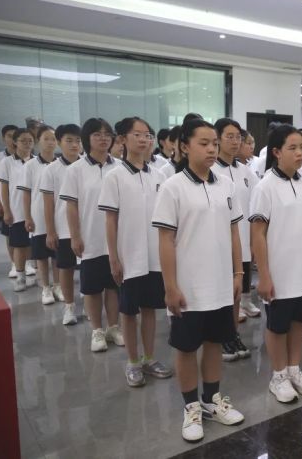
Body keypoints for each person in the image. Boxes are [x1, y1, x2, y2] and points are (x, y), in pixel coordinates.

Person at [152, 118, 245, 443]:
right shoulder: (172, 187)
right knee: (187, 347)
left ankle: (211, 400)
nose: (211, 149)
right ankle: (191, 406)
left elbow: (234, 232)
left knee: (215, 343)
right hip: (188, 287)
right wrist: (170, 286)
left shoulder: (226, 186)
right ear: (184, 146)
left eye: (214, 143)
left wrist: (238, 272)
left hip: (220, 283)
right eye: (203, 143)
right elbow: (165, 241)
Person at [250, 124, 302, 403]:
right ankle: (278, 375)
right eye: (292, 148)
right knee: (277, 326)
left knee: (299, 323)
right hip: (279, 271)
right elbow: (258, 234)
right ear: (276, 152)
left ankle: (294, 370)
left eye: (301, 148)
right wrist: (264, 276)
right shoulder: (265, 186)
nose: (299, 153)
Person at [98, 117, 173, 387]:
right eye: (137, 135)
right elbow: (110, 220)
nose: (144, 140)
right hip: (129, 256)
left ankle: (149, 358)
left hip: (154, 256)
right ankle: (132, 362)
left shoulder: (159, 175)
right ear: (122, 139)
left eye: (147, 135)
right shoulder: (114, 176)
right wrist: (113, 257)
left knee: (150, 309)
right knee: (129, 311)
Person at [60, 118, 123, 352]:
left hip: (117, 239)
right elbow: (71, 206)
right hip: (90, 238)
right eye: (97, 134)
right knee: (92, 287)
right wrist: (75, 236)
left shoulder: (120, 167)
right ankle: (97, 330)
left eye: (107, 134)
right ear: (88, 138)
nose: (103, 138)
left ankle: (113, 327)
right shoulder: (76, 169)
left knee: (114, 285)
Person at [212, 118, 260, 362]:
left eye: (238, 137)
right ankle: (219, 338)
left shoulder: (246, 172)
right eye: (228, 136)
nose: (234, 142)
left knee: (235, 293)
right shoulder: (211, 170)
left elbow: (254, 209)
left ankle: (231, 334)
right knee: (218, 294)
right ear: (217, 139)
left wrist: (253, 242)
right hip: (217, 245)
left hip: (241, 243)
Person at [42, 124, 82, 325]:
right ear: (59, 142)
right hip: (64, 228)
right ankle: (69, 306)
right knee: (66, 268)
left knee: (89, 270)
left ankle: (90, 304)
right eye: (69, 140)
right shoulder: (51, 170)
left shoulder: (87, 166)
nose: (74, 145)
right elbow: (48, 204)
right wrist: (50, 231)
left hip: (88, 228)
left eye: (78, 141)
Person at [19, 125, 62, 304]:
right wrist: (27, 217)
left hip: (59, 214)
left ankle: (58, 285)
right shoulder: (30, 165)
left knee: (58, 253)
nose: (50, 143)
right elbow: (26, 194)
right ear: (38, 141)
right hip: (38, 214)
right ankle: (45, 287)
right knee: (41, 253)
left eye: (53, 139)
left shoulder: (61, 164)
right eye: (46, 139)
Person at [0, 128, 35, 292]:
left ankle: (33, 270)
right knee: (19, 244)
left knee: (33, 243)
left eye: (30, 141)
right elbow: (4, 188)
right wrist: (6, 210)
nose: (27, 144)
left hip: (36, 211)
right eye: (23, 140)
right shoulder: (7, 162)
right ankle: (20, 277)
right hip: (17, 210)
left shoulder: (36, 161)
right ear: (15, 142)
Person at [0, 124, 23, 278]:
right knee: (10, 233)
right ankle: (14, 263)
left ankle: (27, 263)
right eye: (9, 136)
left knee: (27, 235)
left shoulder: (27, 155)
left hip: (24, 203)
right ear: (3, 139)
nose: (13, 139)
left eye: (15, 135)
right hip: (8, 203)